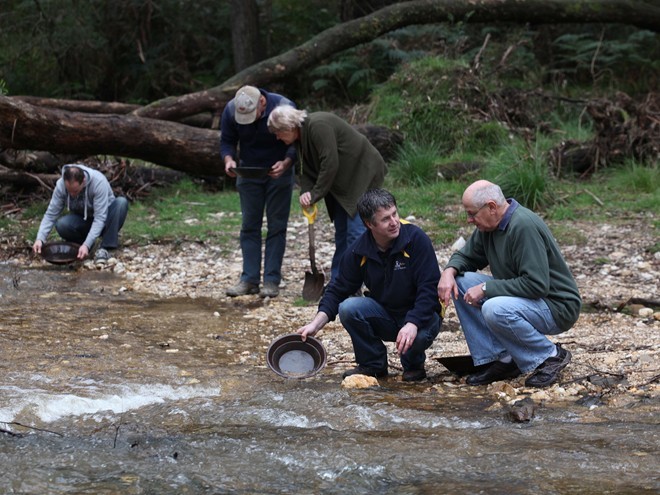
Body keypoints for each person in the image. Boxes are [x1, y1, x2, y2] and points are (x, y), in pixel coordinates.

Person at [437, 180, 582, 388]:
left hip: (557, 306)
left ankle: (550, 356)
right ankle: (502, 358)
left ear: (492, 207)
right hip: (528, 299)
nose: (469, 220)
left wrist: (487, 288)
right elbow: (467, 257)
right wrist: (448, 272)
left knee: (494, 309)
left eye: (472, 213)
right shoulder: (488, 227)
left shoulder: (523, 226)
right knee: (461, 282)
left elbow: (536, 285)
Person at [297, 189, 442, 382]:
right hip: (387, 314)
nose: (394, 222)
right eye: (385, 219)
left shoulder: (416, 239)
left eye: (394, 214)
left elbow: (430, 289)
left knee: (417, 336)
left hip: (423, 316)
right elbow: (337, 289)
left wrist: (412, 323)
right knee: (348, 308)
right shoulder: (359, 250)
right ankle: (373, 364)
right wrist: (315, 324)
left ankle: (414, 364)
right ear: (369, 224)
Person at [267, 106, 387, 282]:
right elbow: (305, 169)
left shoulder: (318, 126)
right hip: (342, 183)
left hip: (362, 174)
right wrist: (306, 192)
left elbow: (329, 164)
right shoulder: (300, 138)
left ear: (289, 127)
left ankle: (357, 283)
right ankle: (339, 282)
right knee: (341, 234)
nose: (277, 137)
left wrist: (315, 194)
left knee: (355, 232)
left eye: (278, 132)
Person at [221, 85, 297, 298]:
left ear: (262, 102)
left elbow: (297, 141)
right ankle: (249, 279)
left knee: (277, 227)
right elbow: (226, 141)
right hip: (247, 173)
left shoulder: (284, 106)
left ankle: (271, 281)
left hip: (279, 173)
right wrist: (229, 161)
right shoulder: (230, 110)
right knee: (249, 226)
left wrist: (286, 162)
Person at [32, 164, 129, 263]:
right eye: (69, 191)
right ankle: (82, 246)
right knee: (62, 224)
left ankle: (105, 248)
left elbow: (100, 218)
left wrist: (87, 244)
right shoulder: (61, 185)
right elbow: (50, 214)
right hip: (84, 221)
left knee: (121, 203)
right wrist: (40, 238)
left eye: (75, 191)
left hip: (106, 221)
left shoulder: (98, 182)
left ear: (83, 181)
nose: (72, 194)